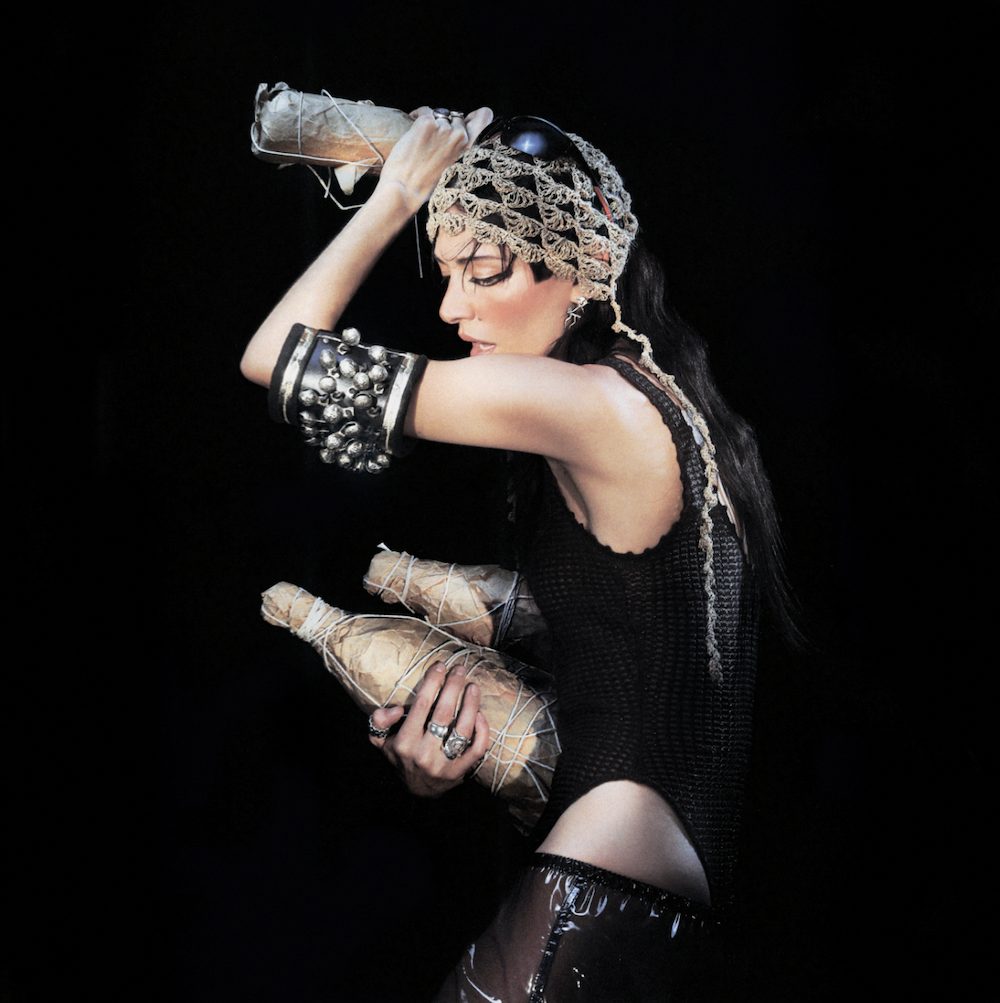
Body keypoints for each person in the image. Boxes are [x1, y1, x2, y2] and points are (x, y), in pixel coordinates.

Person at [242, 106, 793, 1000]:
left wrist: (395, 197)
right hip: (640, 881)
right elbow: (623, 650)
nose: (451, 306)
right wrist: (452, 738)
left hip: (604, 880)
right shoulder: (658, 403)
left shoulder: (587, 404)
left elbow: (274, 358)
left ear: (583, 267)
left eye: (485, 270)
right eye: (446, 271)